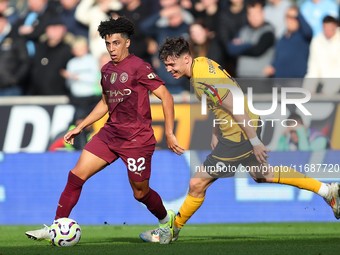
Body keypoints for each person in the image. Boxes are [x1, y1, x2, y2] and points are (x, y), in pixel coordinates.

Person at [139, 36, 340, 243]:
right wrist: (215, 132)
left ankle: (171, 231)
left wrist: (254, 141)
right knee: (264, 175)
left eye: (172, 64)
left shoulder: (201, 81)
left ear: (186, 59)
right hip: (245, 126)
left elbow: (233, 106)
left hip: (239, 135)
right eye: (166, 65)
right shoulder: (202, 64)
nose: (169, 69)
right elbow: (221, 101)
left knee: (197, 183)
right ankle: (327, 190)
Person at [25, 16, 184, 245]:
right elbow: (105, 103)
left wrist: (169, 133)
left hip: (136, 140)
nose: (111, 48)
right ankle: (56, 226)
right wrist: (80, 126)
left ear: (127, 43)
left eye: (116, 43)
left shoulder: (140, 67)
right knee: (75, 177)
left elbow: (166, 97)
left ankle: (165, 220)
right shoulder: (107, 69)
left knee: (140, 193)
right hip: (109, 135)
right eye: (108, 44)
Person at [263, 6, 313, 79]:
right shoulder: (282, 38)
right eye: (287, 17)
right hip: (280, 80)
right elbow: (278, 57)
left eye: (293, 17)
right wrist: (272, 66)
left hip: (297, 79)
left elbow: (309, 32)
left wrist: (298, 15)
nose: (290, 20)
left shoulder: (303, 35)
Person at [303, 16, 340, 96]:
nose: (328, 31)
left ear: (335, 26)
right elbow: (313, 67)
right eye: (325, 28)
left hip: (335, 87)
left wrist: (329, 89)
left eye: (330, 27)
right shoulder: (316, 41)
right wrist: (308, 89)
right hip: (321, 85)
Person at [0, 13, 30, 96]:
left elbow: (25, 61)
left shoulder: (15, 37)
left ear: (4, 21)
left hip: (10, 88)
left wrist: (15, 79)